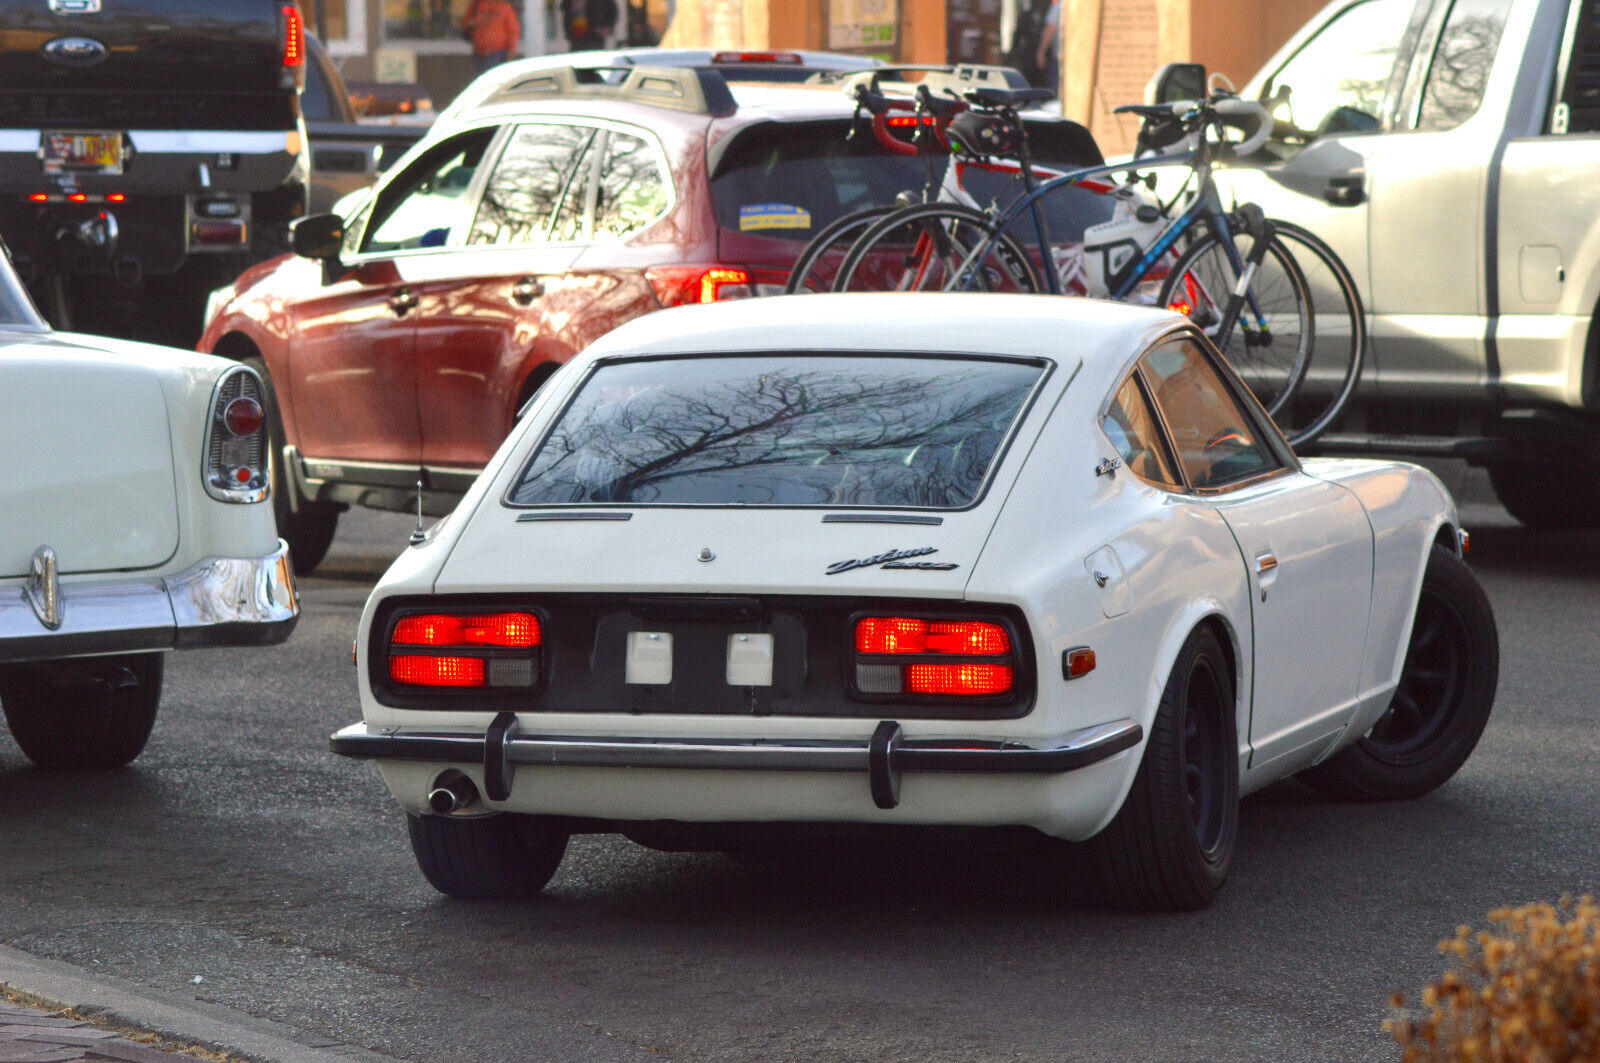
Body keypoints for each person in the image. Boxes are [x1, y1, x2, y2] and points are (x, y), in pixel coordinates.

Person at [460, 0, 521, 72]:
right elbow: (465, 24)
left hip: (498, 52)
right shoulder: (476, 5)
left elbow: (513, 31)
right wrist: (473, 23)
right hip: (479, 52)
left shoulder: (505, 6)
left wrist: (511, 51)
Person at [1034, 0, 1060, 99]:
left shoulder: (1059, 5)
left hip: (1059, 56)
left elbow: (1050, 28)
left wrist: (1041, 52)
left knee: (1054, 92)